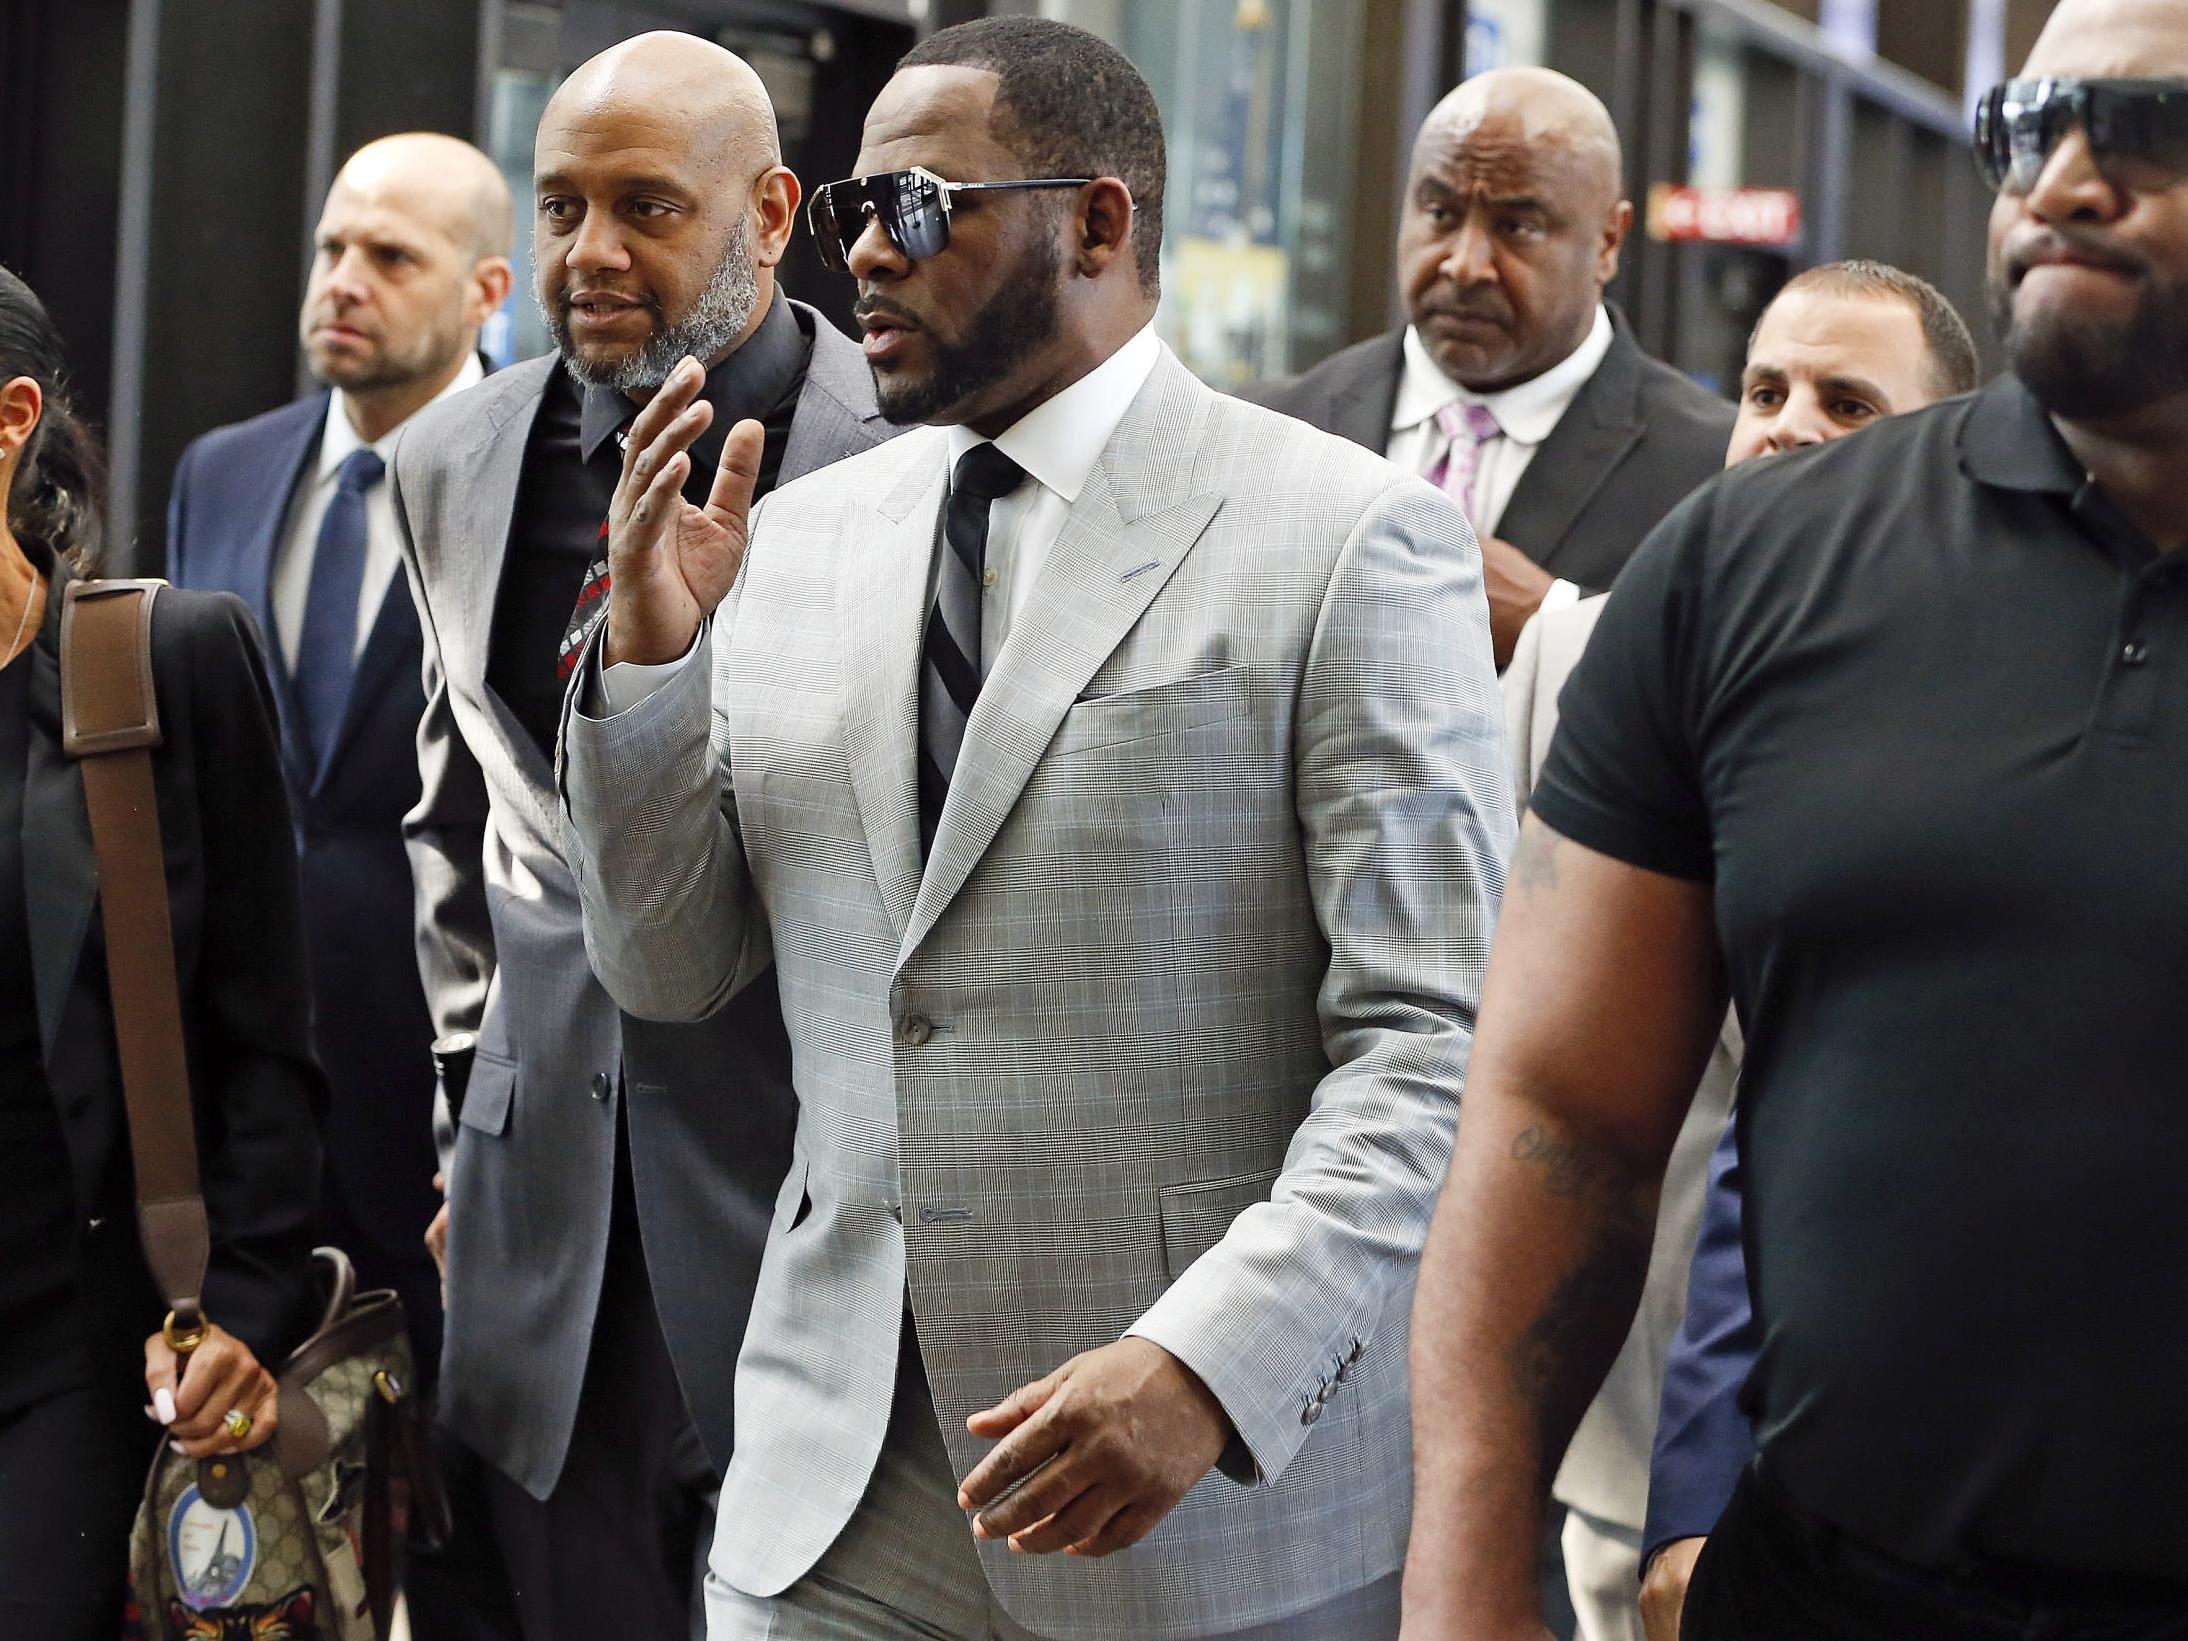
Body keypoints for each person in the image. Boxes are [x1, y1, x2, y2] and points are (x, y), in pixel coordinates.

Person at [560, 17, 1511, 1640]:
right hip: (833, 1476)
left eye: (919, 207)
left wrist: (1213, 1362)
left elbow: (1430, 1040)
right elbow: (666, 971)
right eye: (855, 204)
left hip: (1199, 1497)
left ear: (1096, 223)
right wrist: (649, 673)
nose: (864, 247)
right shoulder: (785, 541)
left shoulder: (1350, 539)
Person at [1404, 0, 2188, 1633]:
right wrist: (1469, 1588)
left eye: (2143, 131)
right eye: (2029, 126)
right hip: (1834, 1582)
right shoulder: (1749, 566)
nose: (2058, 182)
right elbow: (1563, 1117)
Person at [390, 34, 893, 1640]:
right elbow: (458, 828)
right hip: (538, 1250)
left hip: (815, 1232)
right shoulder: (452, 464)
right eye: (559, 208)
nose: (588, 254)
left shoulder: (915, 463)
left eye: (645, 208)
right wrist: (477, 1101)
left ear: (770, 209)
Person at [1499, 258, 1980, 1641]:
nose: (1786, 422)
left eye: (1847, 399)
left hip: (1893, 1437)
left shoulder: (1987, 700)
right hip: (1616, 1409)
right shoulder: (1617, 664)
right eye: (1765, 389)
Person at [0, 265, 323, 1639]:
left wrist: (239, 1300)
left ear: (11, 419)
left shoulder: (164, 663)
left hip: (75, 1345)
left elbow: (264, 1032)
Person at [168, 131, 512, 1389]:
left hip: (441, 1112)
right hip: (245, 1121)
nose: (342, 280)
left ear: (487, 291)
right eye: (330, 248)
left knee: (462, 1541)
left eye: (389, 255)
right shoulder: (226, 469)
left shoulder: (546, 488)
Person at [1252, 68, 1732, 667]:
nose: (1465, 263)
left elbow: (1734, 698)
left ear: (1609, 241)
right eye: (1441, 213)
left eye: (1517, 227)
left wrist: (1552, 623)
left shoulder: (1716, 468)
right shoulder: (1266, 430)